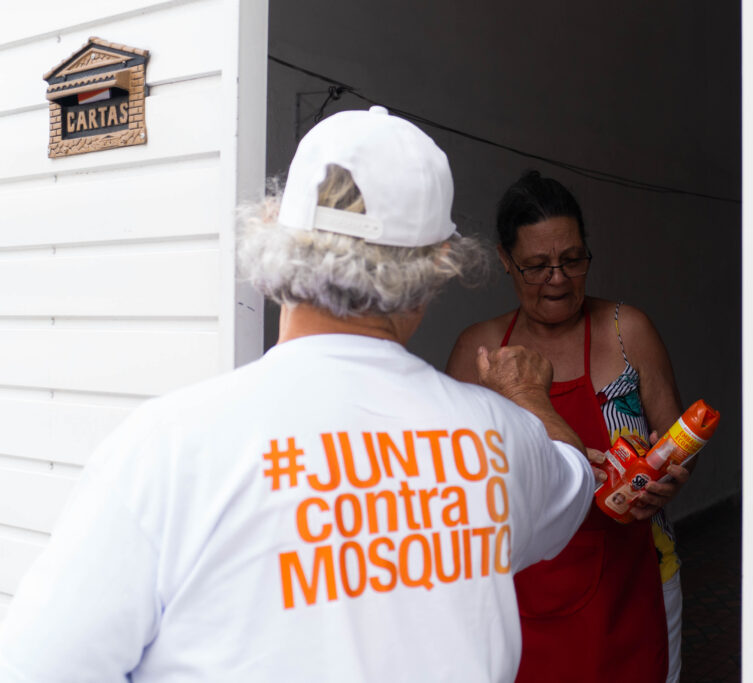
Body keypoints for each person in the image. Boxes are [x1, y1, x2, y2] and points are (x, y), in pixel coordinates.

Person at [0, 109, 597, 682]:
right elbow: (573, 477)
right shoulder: (501, 439)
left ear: (274, 237)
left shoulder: (170, 448)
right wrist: (529, 396)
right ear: (438, 267)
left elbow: (40, 669)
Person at [447, 171, 691, 683]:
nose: (557, 279)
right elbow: (455, 484)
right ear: (505, 260)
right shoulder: (479, 352)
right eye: (537, 266)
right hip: (521, 591)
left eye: (573, 260)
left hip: (635, 579)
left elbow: (677, 442)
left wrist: (668, 479)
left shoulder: (628, 332)